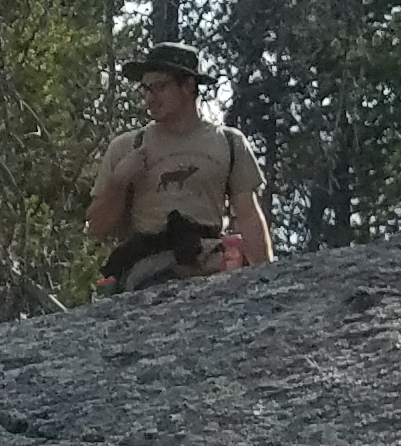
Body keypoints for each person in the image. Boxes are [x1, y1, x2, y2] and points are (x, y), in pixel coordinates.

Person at [86, 39, 271, 291]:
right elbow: (97, 226)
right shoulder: (126, 147)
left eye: (160, 87)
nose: (150, 98)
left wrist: (268, 278)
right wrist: (119, 181)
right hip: (150, 266)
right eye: (146, 89)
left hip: (210, 258)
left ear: (188, 86)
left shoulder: (229, 143)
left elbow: (248, 213)